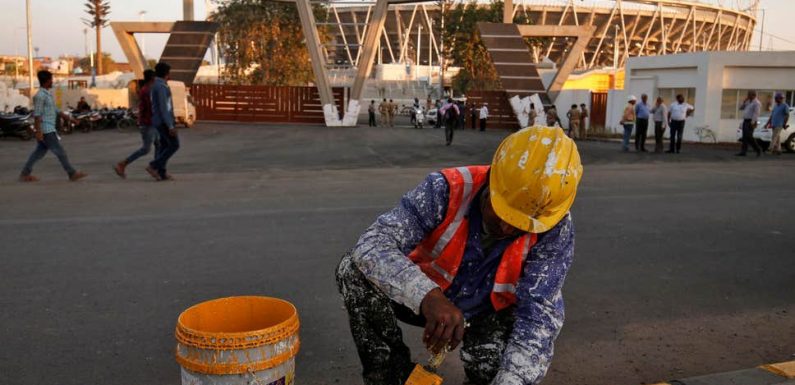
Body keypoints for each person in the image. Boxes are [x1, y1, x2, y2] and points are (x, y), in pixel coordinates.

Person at [336, 126, 582, 385]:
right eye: (501, 213)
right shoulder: (446, 189)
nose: (507, 228)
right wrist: (427, 296)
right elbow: (372, 245)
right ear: (491, 179)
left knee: (498, 373)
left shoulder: (554, 226)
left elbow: (539, 315)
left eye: (522, 225)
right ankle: (390, 376)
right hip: (427, 301)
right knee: (352, 271)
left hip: (490, 315)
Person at [19, 70, 87, 182]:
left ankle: (24, 174)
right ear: (46, 81)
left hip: (49, 128)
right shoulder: (40, 96)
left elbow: (56, 110)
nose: (52, 81)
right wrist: (38, 131)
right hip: (46, 129)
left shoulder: (47, 94)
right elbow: (37, 115)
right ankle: (72, 173)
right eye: (51, 79)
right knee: (60, 152)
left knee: (38, 153)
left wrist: (71, 119)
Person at [114, 69, 159, 178]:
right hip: (148, 123)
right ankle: (123, 164)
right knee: (146, 149)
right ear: (153, 79)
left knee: (159, 145)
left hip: (149, 122)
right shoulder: (148, 91)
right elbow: (151, 108)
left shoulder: (145, 89)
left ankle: (156, 168)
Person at [146, 62, 179, 181]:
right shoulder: (160, 87)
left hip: (160, 120)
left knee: (165, 145)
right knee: (174, 145)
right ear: (166, 73)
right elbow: (164, 108)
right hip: (163, 121)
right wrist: (170, 126)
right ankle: (153, 165)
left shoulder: (159, 85)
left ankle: (162, 173)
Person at [736, 90, 762, 157]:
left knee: (749, 136)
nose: (747, 96)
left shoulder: (756, 103)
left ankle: (758, 149)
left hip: (751, 121)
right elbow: (741, 108)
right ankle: (743, 151)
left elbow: (756, 113)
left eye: (749, 95)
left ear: (753, 95)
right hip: (745, 120)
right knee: (745, 137)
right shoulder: (748, 102)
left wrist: (753, 122)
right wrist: (744, 102)